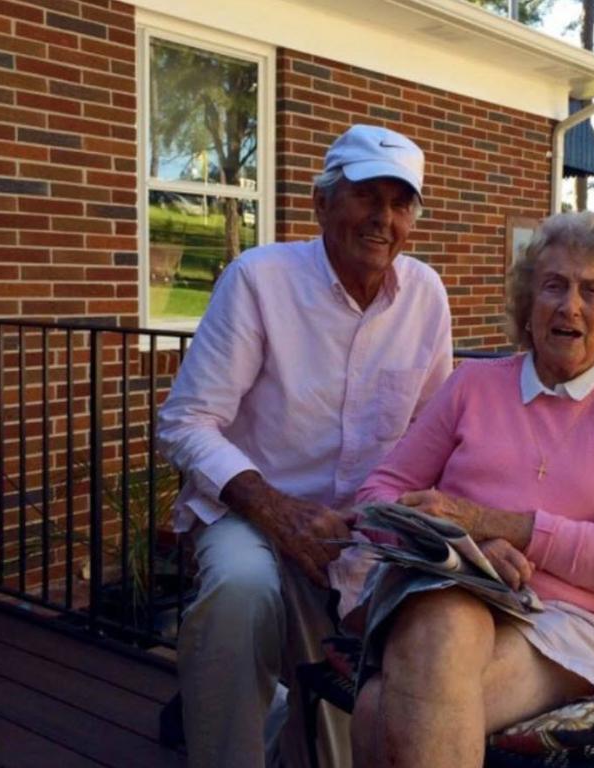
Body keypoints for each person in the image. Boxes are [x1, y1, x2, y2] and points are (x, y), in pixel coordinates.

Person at [335, 211, 594, 767]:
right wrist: (468, 547)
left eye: (592, 290)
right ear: (527, 303)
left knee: (380, 709)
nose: (570, 305)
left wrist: (495, 524)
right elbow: (379, 494)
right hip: (457, 592)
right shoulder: (472, 384)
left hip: (574, 624)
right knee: (441, 616)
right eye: (553, 286)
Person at [157, 124, 453, 768]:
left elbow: (435, 433)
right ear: (321, 204)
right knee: (240, 591)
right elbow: (184, 423)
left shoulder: (426, 295)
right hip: (251, 512)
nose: (383, 218)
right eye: (365, 196)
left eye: (400, 203)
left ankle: (298, 730)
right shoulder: (258, 280)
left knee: (426, 633)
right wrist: (277, 510)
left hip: (364, 529)